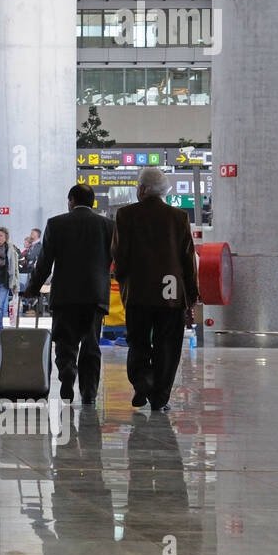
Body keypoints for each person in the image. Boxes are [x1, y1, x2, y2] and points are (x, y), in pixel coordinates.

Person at [112, 166, 198, 411]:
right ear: (163, 192)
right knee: (168, 346)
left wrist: (123, 278)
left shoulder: (125, 215)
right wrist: (191, 295)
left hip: (138, 293)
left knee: (138, 341)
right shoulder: (179, 217)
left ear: (141, 189)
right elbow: (187, 259)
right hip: (171, 295)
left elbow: (119, 255)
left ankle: (142, 380)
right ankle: (160, 397)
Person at [22, 185, 115, 406]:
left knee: (65, 341)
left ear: (71, 200)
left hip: (66, 295)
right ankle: (89, 392)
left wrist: (33, 288)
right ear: (92, 202)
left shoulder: (56, 224)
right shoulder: (108, 225)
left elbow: (44, 263)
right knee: (91, 344)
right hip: (95, 295)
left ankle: (67, 374)